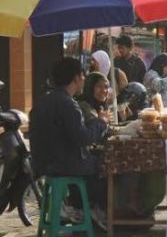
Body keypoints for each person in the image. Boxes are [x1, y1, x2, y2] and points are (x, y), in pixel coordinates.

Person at [29, 58, 109, 226]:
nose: (84, 80)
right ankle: (91, 208)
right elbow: (84, 138)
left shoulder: (43, 101)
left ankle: (79, 206)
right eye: (83, 76)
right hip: (62, 164)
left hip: (43, 163)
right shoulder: (68, 104)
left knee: (91, 160)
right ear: (76, 78)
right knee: (104, 163)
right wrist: (100, 122)